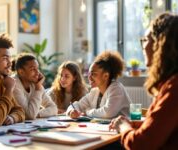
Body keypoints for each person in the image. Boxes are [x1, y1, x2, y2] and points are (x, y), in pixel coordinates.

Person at [109, 13, 178, 149]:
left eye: (145, 40)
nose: (143, 46)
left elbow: (140, 145)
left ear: (160, 44)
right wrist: (141, 125)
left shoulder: (174, 88)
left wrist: (123, 126)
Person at [66, 51, 131, 119]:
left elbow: (107, 113)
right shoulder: (95, 91)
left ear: (106, 76)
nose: (89, 77)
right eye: (89, 74)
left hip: (122, 128)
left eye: (93, 74)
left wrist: (87, 112)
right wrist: (71, 111)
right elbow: (77, 105)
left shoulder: (116, 88)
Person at [11, 53, 57, 119]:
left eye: (37, 68)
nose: (37, 72)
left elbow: (54, 108)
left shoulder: (34, 83)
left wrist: (37, 114)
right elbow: (30, 115)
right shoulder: (14, 84)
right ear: (21, 72)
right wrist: (38, 89)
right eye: (33, 69)